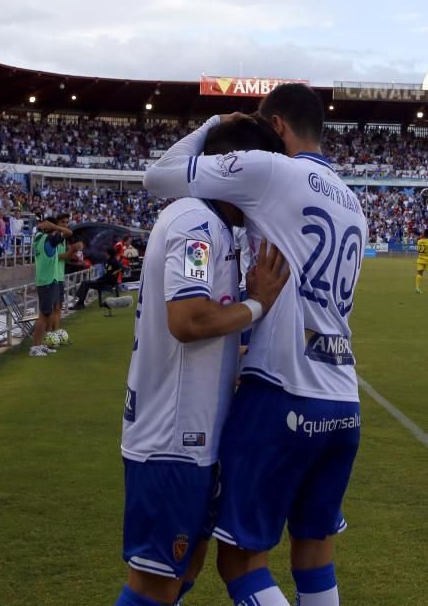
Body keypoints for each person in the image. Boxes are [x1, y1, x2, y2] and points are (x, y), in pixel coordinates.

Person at [144, 83, 368, 606]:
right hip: (342, 397)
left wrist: (215, 123)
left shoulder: (271, 171)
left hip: (282, 390)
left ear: (278, 127)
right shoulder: (352, 200)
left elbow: (159, 177)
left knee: (241, 560)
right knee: (315, 553)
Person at [115, 116, 290, 606]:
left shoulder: (211, 223)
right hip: (172, 438)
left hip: (193, 436)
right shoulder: (195, 222)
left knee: (184, 569)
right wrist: (257, 305)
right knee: (155, 583)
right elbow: (187, 321)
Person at [30, 213, 81, 356]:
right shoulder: (48, 239)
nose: (57, 232)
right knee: (44, 314)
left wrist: (50, 227)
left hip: (46, 280)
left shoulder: (39, 238)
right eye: (54, 229)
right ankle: (35, 348)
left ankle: (40, 345)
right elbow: (68, 232)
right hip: (47, 280)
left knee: (46, 314)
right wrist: (54, 227)